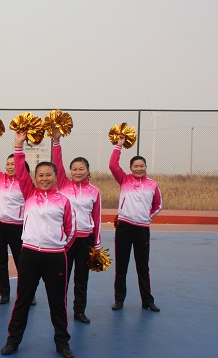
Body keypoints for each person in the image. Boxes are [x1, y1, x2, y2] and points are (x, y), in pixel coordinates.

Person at [1, 130, 76, 358]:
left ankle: (62, 343)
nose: (44, 178)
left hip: (55, 257)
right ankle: (13, 340)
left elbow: (71, 230)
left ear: (56, 177)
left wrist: (59, 247)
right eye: (40, 175)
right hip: (30, 255)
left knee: (58, 302)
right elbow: (20, 169)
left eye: (48, 175)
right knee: (22, 300)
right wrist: (18, 144)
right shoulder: (29, 193)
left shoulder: (64, 201)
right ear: (34, 178)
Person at [51, 128, 102, 323]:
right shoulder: (63, 184)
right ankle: (60, 310)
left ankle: (79, 311)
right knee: (62, 277)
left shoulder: (94, 191)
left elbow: (97, 218)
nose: (78, 172)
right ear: (69, 171)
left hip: (85, 240)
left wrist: (97, 244)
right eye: (74, 169)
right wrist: (56, 141)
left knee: (82, 278)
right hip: (65, 240)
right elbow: (57, 162)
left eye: (81, 169)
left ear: (88, 171)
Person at [109, 137, 163, 312]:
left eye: (142, 166)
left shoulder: (152, 185)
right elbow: (112, 165)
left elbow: (158, 205)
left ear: (145, 167)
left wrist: (146, 217)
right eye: (135, 166)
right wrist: (119, 145)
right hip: (124, 227)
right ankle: (119, 300)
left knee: (143, 267)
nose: (139, 168)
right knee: (121, 266)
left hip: (142, 229)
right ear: (131, 168)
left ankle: (147, 300)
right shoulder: (124, 180)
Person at [0, 134, 32, 305]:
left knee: (21, 262)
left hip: (16, 227)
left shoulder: (25, 183)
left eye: (13, 164)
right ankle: (4, 293)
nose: (10, 167)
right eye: (8, 164)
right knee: (1, 261)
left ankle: (27, 294)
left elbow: (21, 166)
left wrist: (18, 146)